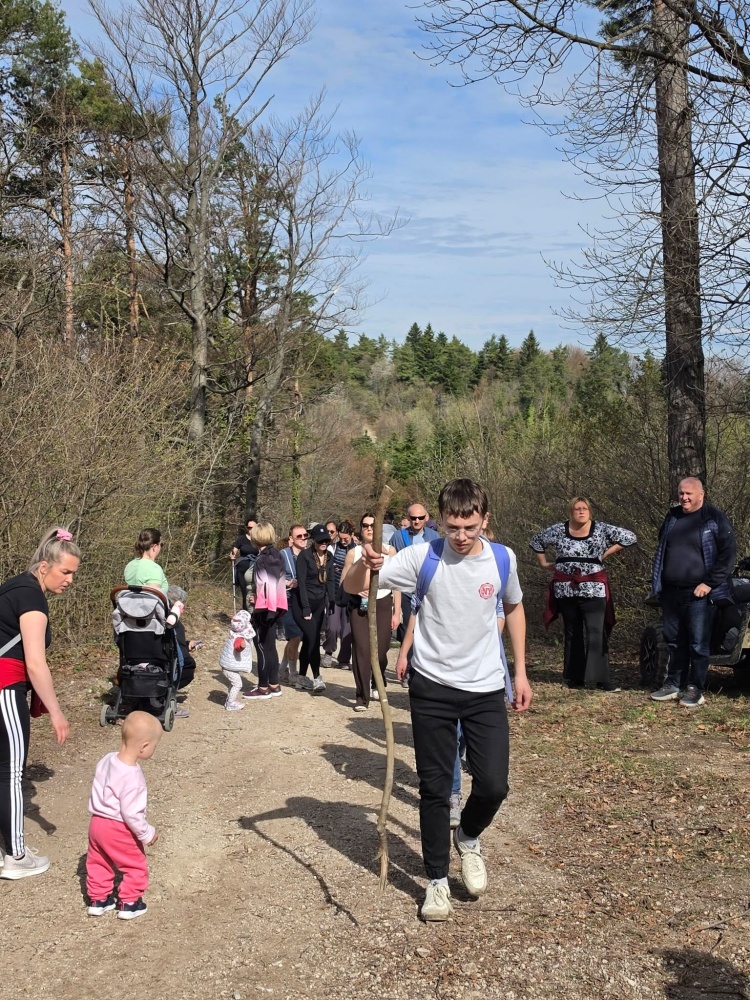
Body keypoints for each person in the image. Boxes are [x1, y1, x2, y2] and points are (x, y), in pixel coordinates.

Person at [345, 478, 531, 922]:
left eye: (470, 527)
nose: (461, 536)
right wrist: (365, 564)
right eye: (452, 527)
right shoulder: (421, 557)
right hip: (432, 688)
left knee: (494, 784)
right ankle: (437, 881)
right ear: (441, 522)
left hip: (485, 687)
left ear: (485, 520)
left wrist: (521, 671)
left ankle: (467, 836)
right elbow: (355, 586)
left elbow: (514, 607)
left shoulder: (502, 559)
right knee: (434, 789)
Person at [0, 527, 78, 879]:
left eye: (74, 573)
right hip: (5, 687)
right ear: (45, 566)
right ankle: (16, 856)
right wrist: (56, 712)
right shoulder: (31, 597)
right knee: (10, 772)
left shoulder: (13, 586)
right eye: (66, 571)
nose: (70, 580)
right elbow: (34, 662)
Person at [530, 498, 637, 691]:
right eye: (577, 509)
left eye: (584, 508)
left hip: (594, 589)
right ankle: (574, 677)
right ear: (570, 511)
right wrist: (544, 563)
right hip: (566, 590)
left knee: (596, 632)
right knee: (573, 632)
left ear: (590, 511)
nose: (581, 512)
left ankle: (601, 678)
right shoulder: (558, 530)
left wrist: (606, 553)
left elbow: (629, 537)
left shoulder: (601, 529)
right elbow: (536, 541)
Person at [650, 477, 736, 707]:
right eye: (681, 493)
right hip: (670, 591)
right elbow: (663, 547)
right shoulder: (672, 516)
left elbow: (728, 556)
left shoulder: (714, 518)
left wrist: (709, 583)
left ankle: (695, 689)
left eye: (689, 493)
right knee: (674, 641)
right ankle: (673, 684)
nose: (684, 498)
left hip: (700, 593)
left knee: (698, 644)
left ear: (701, 494)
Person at [85, 711, 161, 919]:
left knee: (98, 861)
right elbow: (131, 813)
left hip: (97, 823)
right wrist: (146, 833)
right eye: (154, 746)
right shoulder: (133, 776)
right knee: (134, 863)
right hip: (118, 827)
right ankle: (130, 902)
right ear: (144, 746)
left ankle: (98, 899)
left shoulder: (107, 759)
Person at [341, 514, 400, 712]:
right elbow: (344, 583)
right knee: (361, 650)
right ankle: (361, 696)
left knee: (381, 650)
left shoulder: (390, 551)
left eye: (373, 525)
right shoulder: (353, 553)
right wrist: (356, 590)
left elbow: (397, 584)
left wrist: (397, 611)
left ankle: (378, 680)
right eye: (365, 525)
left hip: (383, 602)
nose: (369, 529)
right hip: (359, 605)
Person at [244, 522, 287, 700]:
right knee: (271, 646)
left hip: (264, 609)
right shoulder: (277, 554)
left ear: (256, 537)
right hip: (276, 607)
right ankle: (274, 684)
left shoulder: (262, 559)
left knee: (261, 646)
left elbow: (265, 583)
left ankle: (262, 687)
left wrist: (258, 599)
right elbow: (279, 582)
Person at [290, 523, 334, 693]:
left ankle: (301, 678)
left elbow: (330, 580)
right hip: (302, 604)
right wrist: (306, 608)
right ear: (313, 540)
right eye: (320, 540)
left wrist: (332, 601)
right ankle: (317, 678)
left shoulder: (329, 556)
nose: (324, 543)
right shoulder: (305, 556)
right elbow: (301, 584)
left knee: (309, 640)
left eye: (326, 540)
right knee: (313, 639)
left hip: (319, 604)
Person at [322, 520, 355, 670]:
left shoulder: (357, 550)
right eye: (340, 538)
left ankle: (344, 659)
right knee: (332, 627)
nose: (342, 541)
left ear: (352, 535)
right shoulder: (332, 548)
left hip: (350, 595)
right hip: (334, 593)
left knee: (347, 629)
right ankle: (328, 652)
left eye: (345, 538)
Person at [166, 585, 200, 719]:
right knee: (188, 669)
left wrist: (187, 644)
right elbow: (180, 654)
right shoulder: (174, 623)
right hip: (167, 666)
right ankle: (165, 697)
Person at [279, 525, 307, 685]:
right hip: (287, 600)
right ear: (291, 539)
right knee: (295, 636)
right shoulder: (282, 555)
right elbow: (273, 577)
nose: (303, 538)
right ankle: (293, 673)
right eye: (299, 536)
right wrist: (288, 582)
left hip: (302, 602)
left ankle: (283, 668)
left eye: (305, 535)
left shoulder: (308, 554)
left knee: (294, 638)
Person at [218, 610, 256, 710]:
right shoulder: (240, 637)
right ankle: (231, 703)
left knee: (233, 683)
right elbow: (237, 647)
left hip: (227, 665)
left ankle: (230, 699)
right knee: (238, 684)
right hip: (229, 667)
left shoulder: (234, 632)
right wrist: (241, 647)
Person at [124, 528, 168, 593]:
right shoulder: (154, 568)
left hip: (128, 599)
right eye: (161, 544)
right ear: (155, 547)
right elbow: (153, 595)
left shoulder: (130, 565)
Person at [230, 519, 259, 611]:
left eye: (253, 527)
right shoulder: (241, 539)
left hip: (255, 569)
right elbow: (234, 551)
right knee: (244, 591)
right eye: (249, 527)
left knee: (253, 591)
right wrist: (232, 556)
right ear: (247, 528)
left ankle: (254, 612)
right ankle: (245, 611)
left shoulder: (259, 540)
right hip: (242, 569)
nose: (251, 529)